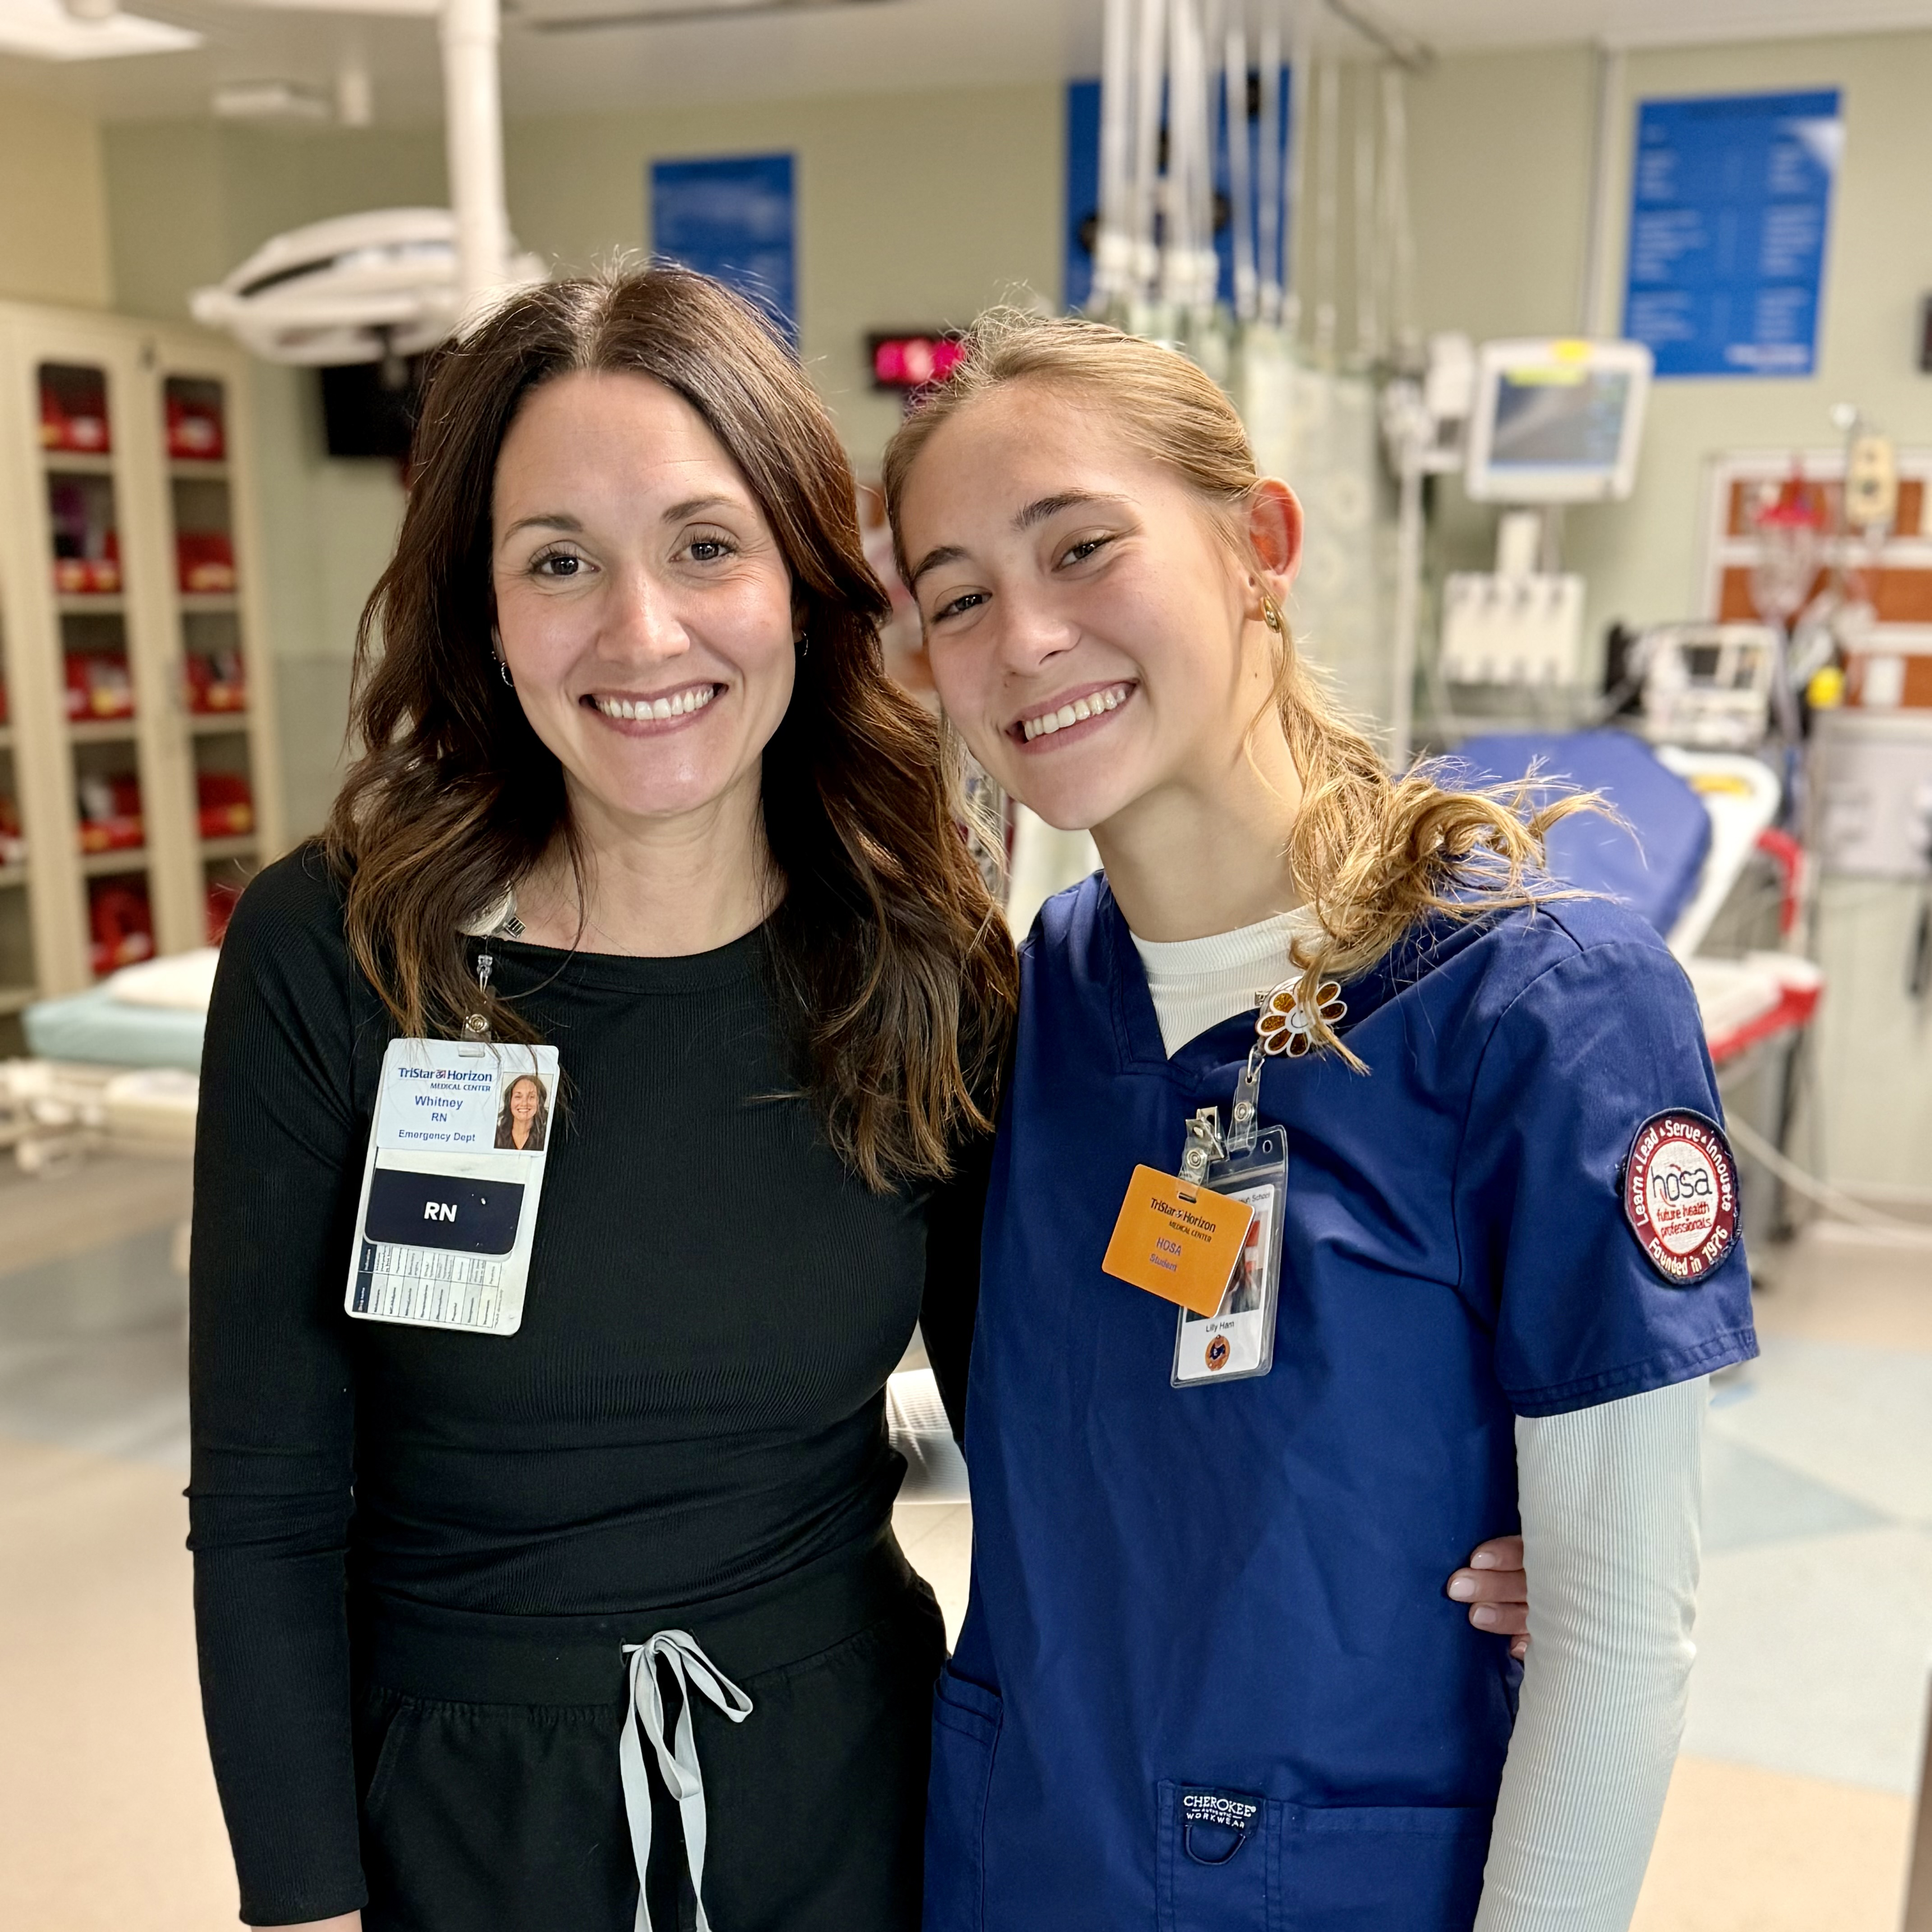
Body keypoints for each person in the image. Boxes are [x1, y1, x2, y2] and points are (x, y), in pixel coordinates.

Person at [882, 309, 1757, 1932]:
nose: (1024, 636)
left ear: (1256, 544)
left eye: (1081, 547)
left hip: (1341, 1883)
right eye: (957, 598)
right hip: (1020, 1857)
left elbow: (1621, 1624)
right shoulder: (1039, 995)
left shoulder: (1538, 1001)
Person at [188, 267, 1013, 1932]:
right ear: (484, 611)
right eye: (558, 560)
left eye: (705, 545)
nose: (642, 632)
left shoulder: (916, 953)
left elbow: (1038, 1424)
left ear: (801, 576)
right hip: (459, 1815)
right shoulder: (344, 950)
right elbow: (270, 1502)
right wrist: (303, 1904)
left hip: (851, 1793)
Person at [493, 1071, 548, 1150]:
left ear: (539, 1102)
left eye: (531, 1097)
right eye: (518, 1097)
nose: (524, 1103)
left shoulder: (547, 1137)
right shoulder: (496, 1136)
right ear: (510, 1101)